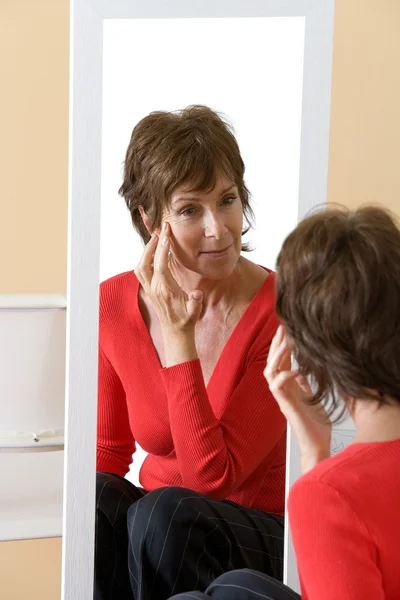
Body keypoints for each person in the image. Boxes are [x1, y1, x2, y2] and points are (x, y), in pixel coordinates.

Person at [95, 105, 287, 600]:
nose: (218, 229)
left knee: (168, 513)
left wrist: (179, 342)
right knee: (98, 499)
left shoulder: (282, 310)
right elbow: (107, 454)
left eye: (226, 201)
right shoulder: (113, 305)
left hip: (261, 529)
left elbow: (213, 481)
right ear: (148, 220)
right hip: (156, 524)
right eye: (189, 210)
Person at [169, 205, 400, 600]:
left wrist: (319, 481)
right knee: (235, 589)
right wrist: (315, 449)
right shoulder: (334, 490)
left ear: (308, 348)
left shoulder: (331, 496)